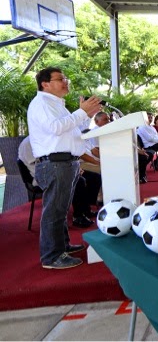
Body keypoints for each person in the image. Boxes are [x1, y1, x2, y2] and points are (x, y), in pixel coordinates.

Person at [27, 67, 102, 270]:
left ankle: (62, 246)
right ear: (45, 84)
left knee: (60, 209)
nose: (65, 82)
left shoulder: (56, 104)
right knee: (54, 211)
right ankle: (51, 256)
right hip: (55, 163)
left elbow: (72, 131)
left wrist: (85, 116)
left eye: (65, 78)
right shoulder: (42, 103)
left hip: (65, 162)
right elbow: (56, 128)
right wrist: (81, 112)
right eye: (61, 79)